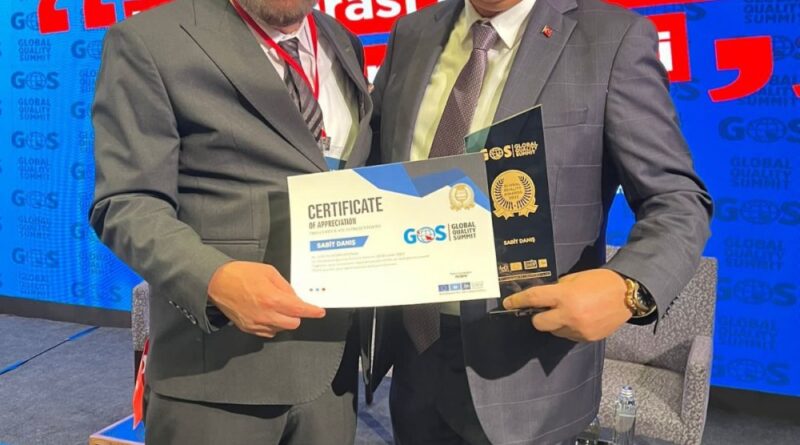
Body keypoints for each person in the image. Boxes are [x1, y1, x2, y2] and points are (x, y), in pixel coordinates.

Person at [368, 0, 713, 443]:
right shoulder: (412, 33)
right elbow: (374, 169)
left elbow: (678, 200)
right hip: (414, 353)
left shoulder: (612, 39)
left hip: (531, 374)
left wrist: (627, 286)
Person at [89, 0, 372, 442]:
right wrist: (212, 279)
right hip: (219, 371)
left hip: (331, 370)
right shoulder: (150, 41)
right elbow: (127, 202)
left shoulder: (342, 41)